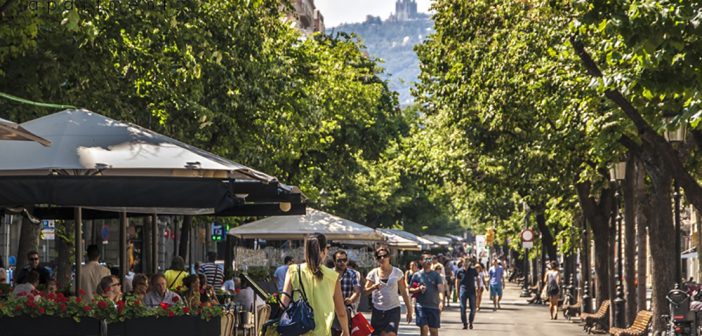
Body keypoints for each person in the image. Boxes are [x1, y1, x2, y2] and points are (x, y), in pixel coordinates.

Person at [280, 233, 350, 336]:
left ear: (306, 251)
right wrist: (345, 331)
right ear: (324, 251)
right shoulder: (333, 276)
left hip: (298, 330)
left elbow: (284, 303)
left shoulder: (293, 270)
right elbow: (341, 312)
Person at [365, 247, 412, 336]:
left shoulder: (397, 272)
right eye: (379, 257)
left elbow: (403, 291)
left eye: (384, 256)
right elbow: (365, 291)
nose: (382, 258)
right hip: (378, 310)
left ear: (389, 257)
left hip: (393, 309)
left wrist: (409, 309)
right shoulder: (373, 273)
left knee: (390, 334)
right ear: (377, 259)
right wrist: (373, 287)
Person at [409, 252, 444, 336]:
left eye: (430, 259)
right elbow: (410, 289)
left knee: (433, 330)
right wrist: (418, 289)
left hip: (433, 306)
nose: (429, 261)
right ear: (421, 261)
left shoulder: (436, 275)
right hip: (421, 306)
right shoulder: (416, 275)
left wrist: (441, 301)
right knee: (424, 328)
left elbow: (440, 290)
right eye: (426, 259)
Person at [455, 257, 478, 329]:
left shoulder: (473, 270)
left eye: (467, 261)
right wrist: (457, 291)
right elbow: (457, 281)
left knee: (473, 308)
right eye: (465, 262)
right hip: (463, 290)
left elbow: (477, 278)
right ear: (462, 262)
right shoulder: (459, 271)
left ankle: (471, 322)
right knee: (462, 308)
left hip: (472, 291)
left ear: (469, 262)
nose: (466, 263)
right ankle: (465, 323)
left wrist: (478, 288)